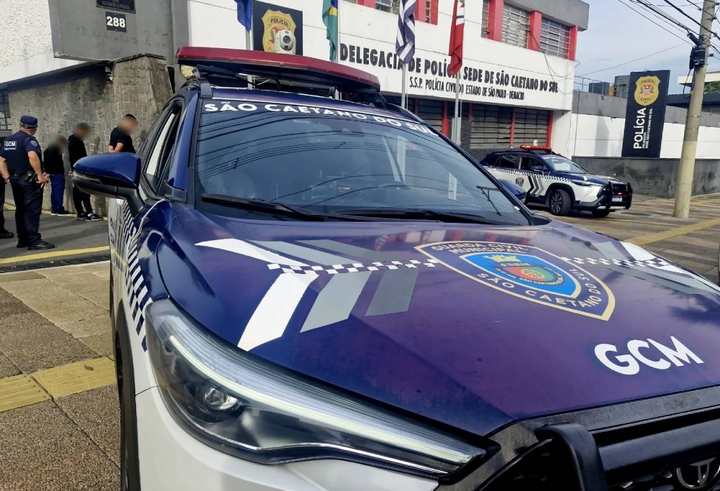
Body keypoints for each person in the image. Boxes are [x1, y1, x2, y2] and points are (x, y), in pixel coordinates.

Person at [0, 116, 54, 250]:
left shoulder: (9, 140)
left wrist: (7, 177)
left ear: (20, 125)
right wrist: (40, 176)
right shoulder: (29, 140)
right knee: (31, 210)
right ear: (35, 128)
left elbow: (1, 160)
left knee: (20, 209)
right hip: (28, 180)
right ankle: (34, 240)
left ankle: (22, 239)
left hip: (14, 179)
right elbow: (32, 156)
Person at [68, 123, 101, 221]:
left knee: (77, 190)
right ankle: (89, 213)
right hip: (80, 169)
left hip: (77, 168)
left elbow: (72, 157)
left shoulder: (73, 140)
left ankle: (80, 212)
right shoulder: (76, 141)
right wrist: (76, 169)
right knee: (84, 190)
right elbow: (76, 157)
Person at [44, 135, 71, 216]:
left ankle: (54, 208)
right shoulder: (56, 151)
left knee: (54, 191)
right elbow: (54, 162)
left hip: (52, 174)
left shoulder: (47, 150)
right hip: (57, 173)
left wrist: (47, 172)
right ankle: (60, 209)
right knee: (59, 191)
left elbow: (46, 162)